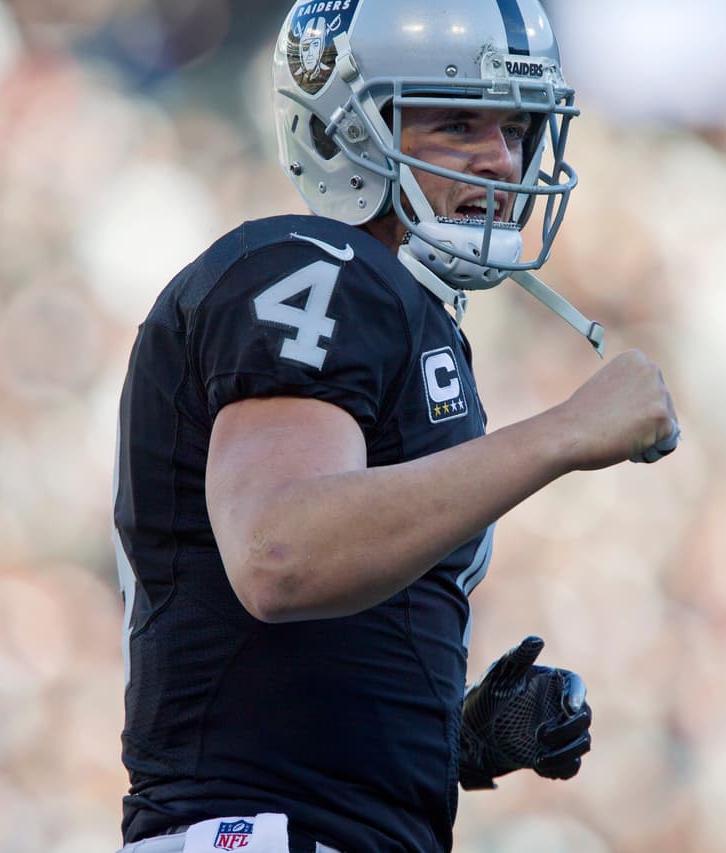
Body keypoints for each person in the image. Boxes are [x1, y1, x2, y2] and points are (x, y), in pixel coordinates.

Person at [111, 1, 680, 851]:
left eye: (516, 126)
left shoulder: (400, 309)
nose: (501, 156)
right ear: (346, 130)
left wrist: (459, 739)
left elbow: (284, 682)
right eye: (458, 124)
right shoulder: (315, 266)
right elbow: (280, 554)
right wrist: (562, 434)